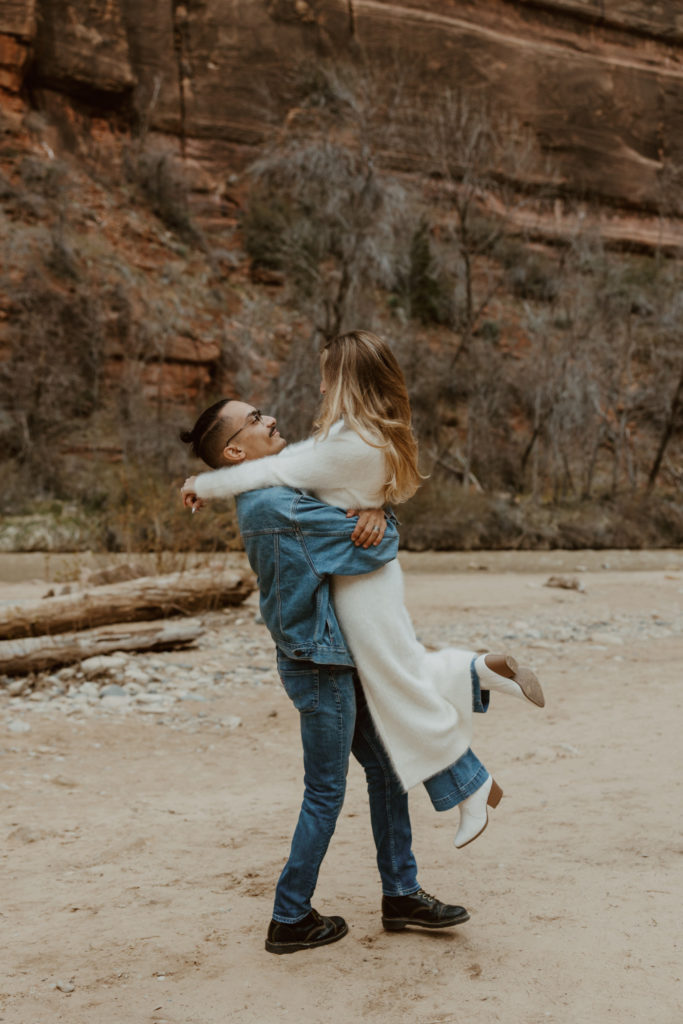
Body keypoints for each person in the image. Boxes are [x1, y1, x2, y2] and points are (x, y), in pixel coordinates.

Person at [182, 331, 544, 851]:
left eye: (327, 375)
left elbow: (281, 473)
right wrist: (377, 507)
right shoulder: (367, 436)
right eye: (255, 416)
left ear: (346, 380)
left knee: (398, 683)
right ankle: (476, 702)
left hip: (356, 583)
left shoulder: (341, 445)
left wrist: (203, 485)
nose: (320, 385)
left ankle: (475, 712)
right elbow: (314, 484)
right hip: (362, 580)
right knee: (398, 681)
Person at [180, 401, 471, 954]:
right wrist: (380, 517)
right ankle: (290, 917)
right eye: (256, 418)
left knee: (386, 772)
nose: (270, 419)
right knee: (325, 792)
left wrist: (375, 508)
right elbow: (378, 548)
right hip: (319, 665)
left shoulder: (270, 493)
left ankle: (401, 895)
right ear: (236, 451)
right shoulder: (280, 505)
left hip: (328, 657)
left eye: (265, 411)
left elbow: (359, 521)